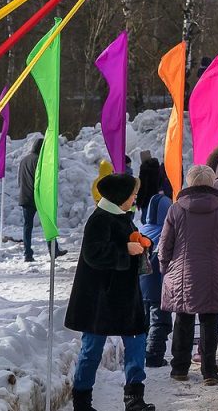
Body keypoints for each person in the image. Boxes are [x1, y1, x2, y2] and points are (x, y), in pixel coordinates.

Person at [66, 172, 155, 411]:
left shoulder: (122, 216)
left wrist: (143, 241)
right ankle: (82, 402)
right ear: (120, 196)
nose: (135, 198)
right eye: (132, 194)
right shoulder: (99, 219)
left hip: (125, 298)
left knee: (136, 345)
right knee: (91, 350)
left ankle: (134, 399)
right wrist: (126, 249)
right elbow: (93, 254)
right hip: (100, 298)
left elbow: (128, 241)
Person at [159, 165, 218, 384]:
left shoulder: (176, 209)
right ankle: (210, 371)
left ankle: (179, 368)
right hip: (213, 273)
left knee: (183, 321)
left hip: (182, 272)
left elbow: (165, 245)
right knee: (210, 322)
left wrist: (165, 269)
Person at [135, 158, 173, 367]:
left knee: (146, 319)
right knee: (161, 321)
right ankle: (154, 355)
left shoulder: (142, 230)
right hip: (159, 285)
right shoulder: (165, 233)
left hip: (141, 285)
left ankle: (141, 351)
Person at [18, 137, 65, 262]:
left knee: (27, 226)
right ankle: (53, 250)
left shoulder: (24, 160)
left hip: (25, 197)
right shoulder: (40, 160)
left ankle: (27, 254)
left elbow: (20, 180)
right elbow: (44, 181)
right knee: (48, 223)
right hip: (39, 197)